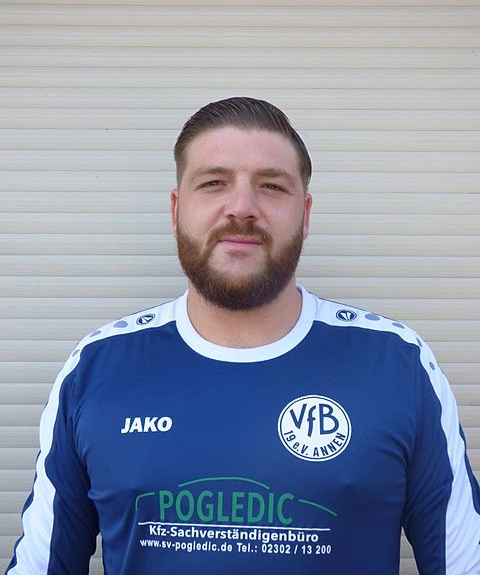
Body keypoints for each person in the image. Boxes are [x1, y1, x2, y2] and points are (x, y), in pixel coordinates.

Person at [6, 97, 480, 574]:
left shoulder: (396, 364)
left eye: (271, 186)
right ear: (176, 210)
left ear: (305, 215)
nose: (242, 208)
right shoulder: (97, 367)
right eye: (214, 183)